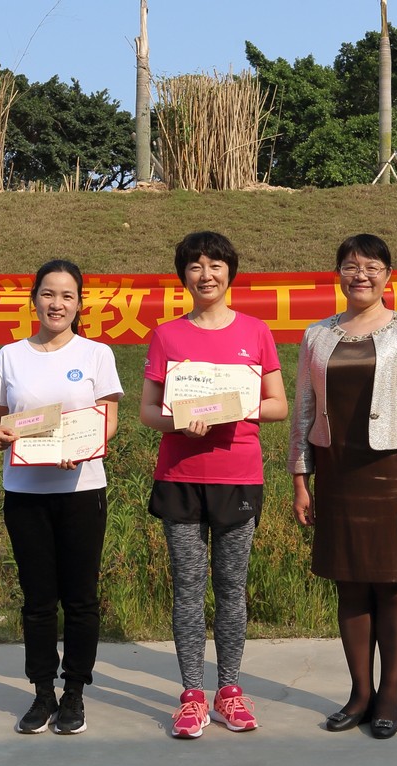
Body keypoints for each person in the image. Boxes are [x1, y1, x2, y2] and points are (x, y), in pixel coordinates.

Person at [287, 233, 397, 740]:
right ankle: (359, 693)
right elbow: (304, 409)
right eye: (351, 266)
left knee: (394, 583)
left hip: (393, 473)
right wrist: (300, 478)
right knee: (349, 582)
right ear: (338, 274)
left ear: (388, 276)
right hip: (337, 472)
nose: (361, 275)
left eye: (372, 267)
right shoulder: (317, 335)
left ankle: (389, 694)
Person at [139, 231, 288, 739]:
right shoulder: (167, 335)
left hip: (237, 476)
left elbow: (277, 405)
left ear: (230, 272)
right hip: (180, 477)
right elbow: (148, 411)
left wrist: (234, 408)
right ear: (183, 275)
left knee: (230, 587)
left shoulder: (256, 332)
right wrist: (179, 422)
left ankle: (229, 690)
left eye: (215, 265)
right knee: (187, 587)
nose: (206, 275)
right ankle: (191, 695)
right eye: (196, 266)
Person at [0, 259, 123, 736]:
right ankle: (42, 692)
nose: (56, 304)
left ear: (79, 303)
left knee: (81, 598)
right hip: (25, 493)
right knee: (38, 599)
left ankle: (75, 692)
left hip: (82, 489)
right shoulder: (10, 356)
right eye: (47, 293)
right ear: (33, 300)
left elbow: (109, 418)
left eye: (66, 295)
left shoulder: (97, 354)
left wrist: (83, 448)